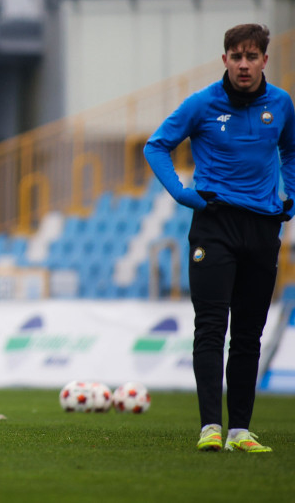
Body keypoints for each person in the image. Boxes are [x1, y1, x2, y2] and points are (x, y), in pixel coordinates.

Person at [144, 23, 295, 453]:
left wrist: (292, 196)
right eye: (235, 56)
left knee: (249, 334)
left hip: (263, 227)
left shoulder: (281, 104)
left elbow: (292, 149)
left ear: (265, 60)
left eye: (251, 57)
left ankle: (239, 431)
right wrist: (182, 193)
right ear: (224, 59)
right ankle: (210, 427)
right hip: (214, 223)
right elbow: (156, 145)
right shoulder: (202, 104)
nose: (243, 65)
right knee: (211, 327)